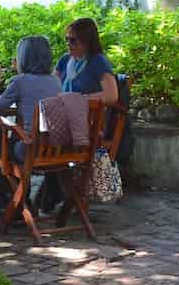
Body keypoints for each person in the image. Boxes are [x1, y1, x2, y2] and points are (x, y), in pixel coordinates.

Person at [37, 17, 123, 214]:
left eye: (73, 40)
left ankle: (48, 197)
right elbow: (51, 87)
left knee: (44, 143)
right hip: (63, 121)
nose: (69, 44)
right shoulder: (65, 61)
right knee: (42, 139)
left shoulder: (98, 63)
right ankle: (51, 196)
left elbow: (111, 95)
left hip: (89, 125)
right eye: (67, 40)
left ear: (87, 40)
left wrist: (79, 99)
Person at [0, 36, 61, 214]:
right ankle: (15, 199)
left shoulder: (20, 82)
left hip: (30, 150)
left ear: (24, 58)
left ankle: (13, 199)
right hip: (54, 148)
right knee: (7, 139)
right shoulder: (55, 81)